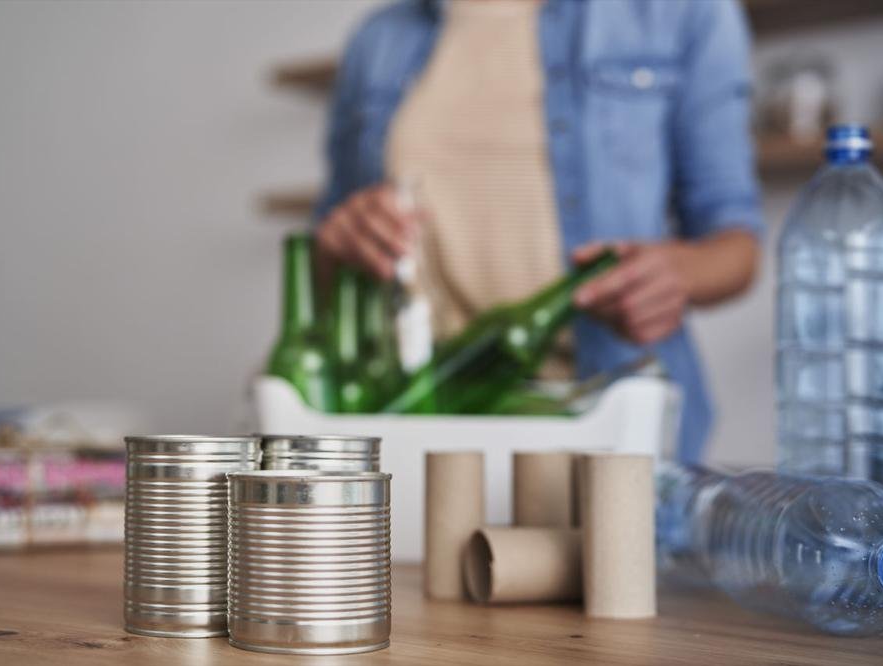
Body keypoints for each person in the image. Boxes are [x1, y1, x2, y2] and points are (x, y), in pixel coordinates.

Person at [314, 0, 763, 463]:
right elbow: (327, 256)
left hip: (610, 430)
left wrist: (676, 272)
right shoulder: (378, 40)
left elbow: (736, 243)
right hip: (425, 424)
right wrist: (343, 240)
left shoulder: (679, 11)